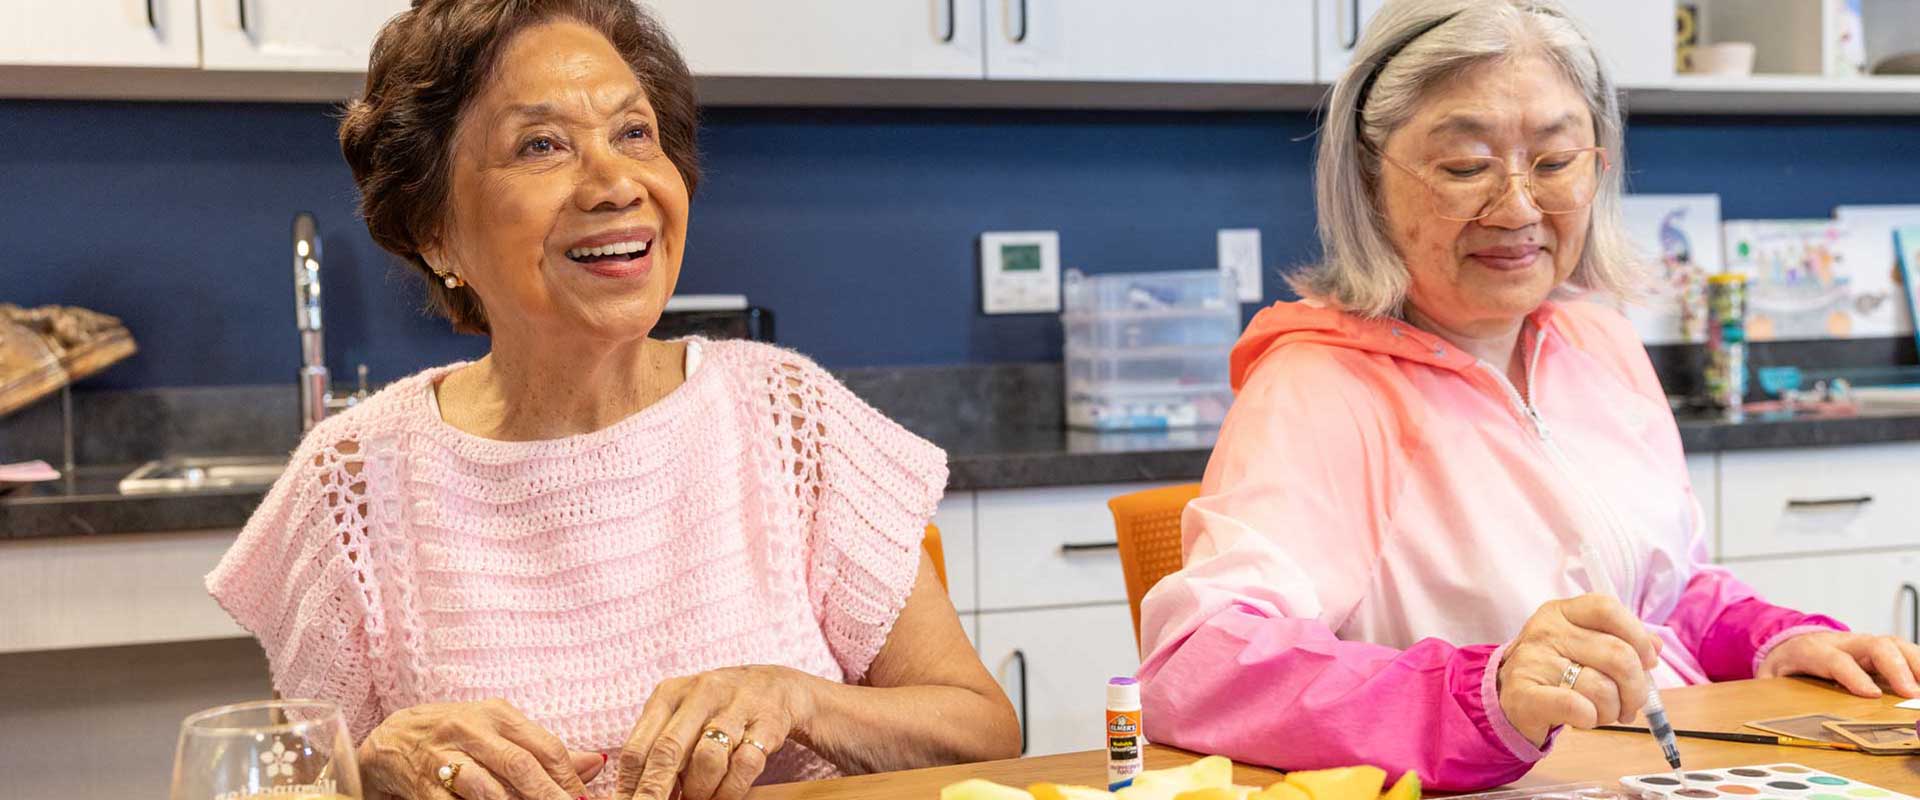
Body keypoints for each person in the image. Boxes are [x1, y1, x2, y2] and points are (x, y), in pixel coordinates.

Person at [206, 2, 1018, 799]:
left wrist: (801, 700)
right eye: (542, 145)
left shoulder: (787, 416)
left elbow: (982, 730)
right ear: (434, 231)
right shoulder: (351, 481)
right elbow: (287, 781)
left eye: (634, 134)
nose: (615, 183)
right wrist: (372, 766)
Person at [1135, 0, 1920, 791]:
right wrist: (1487, 693)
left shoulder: (1597, 342)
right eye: (1465, 166)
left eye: (1553, 163)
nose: (1516, 209)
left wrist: (1771, 642)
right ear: (1368, 180)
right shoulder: (1322, 389)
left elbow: (1663, 593)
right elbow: (1194, 667)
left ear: (1599, 166)